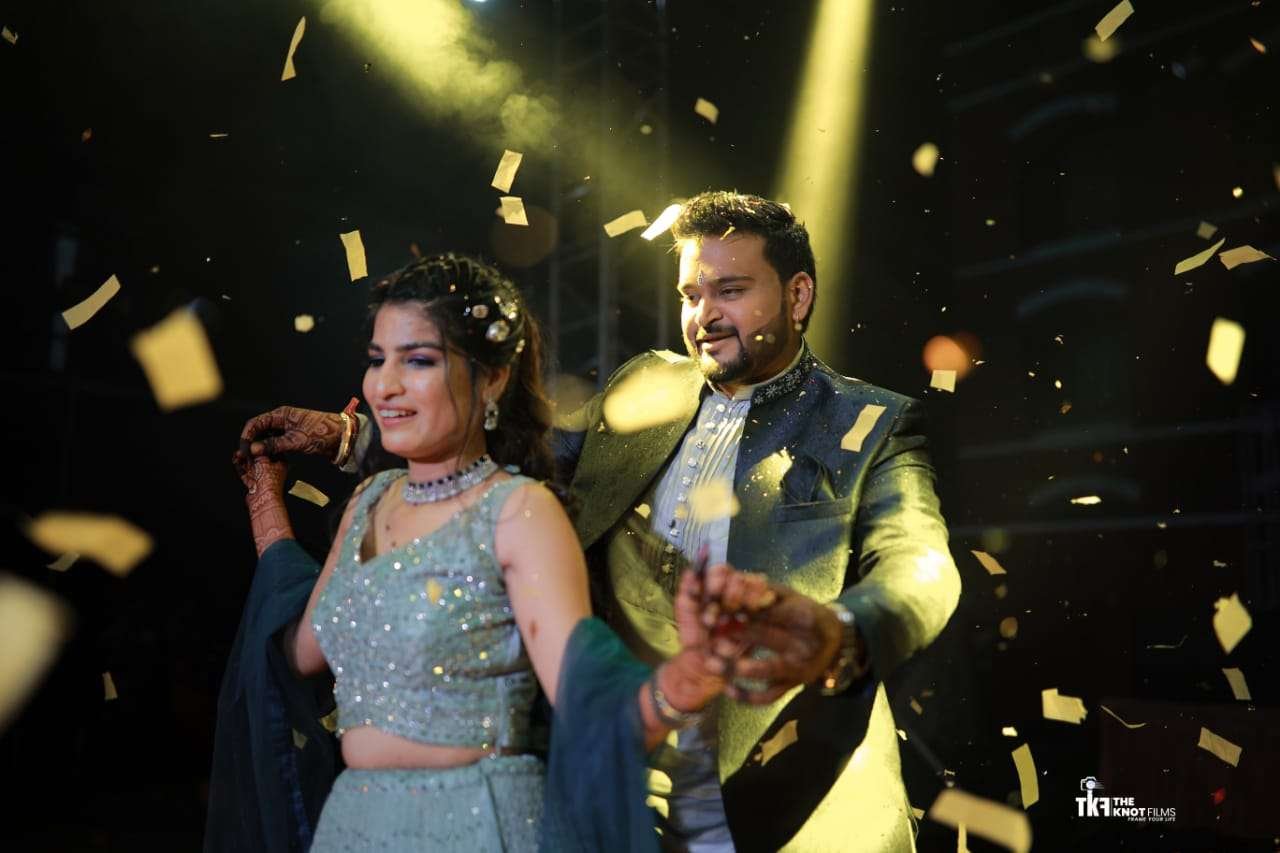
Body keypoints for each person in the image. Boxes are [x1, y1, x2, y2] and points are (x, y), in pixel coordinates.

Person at [241, 192, 962, 852]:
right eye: (691, 294)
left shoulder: (870, 422)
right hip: (619, 785)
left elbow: (921, 568)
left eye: (731, 291)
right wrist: (351, 436)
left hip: (794, 800)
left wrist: (837, 633)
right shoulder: (645, 382)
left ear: (797, 294)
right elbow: (517, 452)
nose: (704, 315)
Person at [208, 253, 773, 852]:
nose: (383, 386)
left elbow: (587, 696)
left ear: (492, 379)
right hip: (353, 826)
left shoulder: (517, 513)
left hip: (476, 825)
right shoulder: (370, 503)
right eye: (377, 359)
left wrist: (688, 677)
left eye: (418, 361)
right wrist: (265, 505)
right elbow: (297, 652)